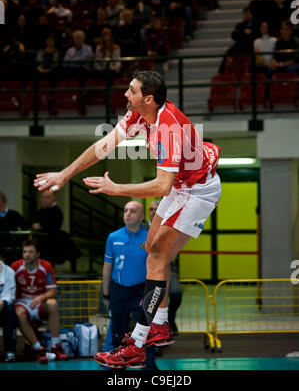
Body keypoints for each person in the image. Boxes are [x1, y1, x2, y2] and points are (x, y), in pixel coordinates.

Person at [34, 69, 222, 369]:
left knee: (157, 259)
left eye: (131, 90)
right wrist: (65, 174)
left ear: (148, 99)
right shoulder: (137, 116)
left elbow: (161, 186)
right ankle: (159, 323)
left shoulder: (167, 129)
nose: (125, 94)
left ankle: (137, 343)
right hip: (180, 186)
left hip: (198, 190)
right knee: (152, 250)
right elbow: (102, 147)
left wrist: (116, 188)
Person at [101, 200, 158, 370]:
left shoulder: (150, 237)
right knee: (118, 331)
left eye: (132, 211)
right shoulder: (113, 237)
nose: (127, 214)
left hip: (142, 290)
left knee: (146, 331)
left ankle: (149, 366)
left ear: (141, 217)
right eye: (125, 210)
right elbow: (107, 266)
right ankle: (119, 365)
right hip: (119, 289)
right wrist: (105, 293)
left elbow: (157, 267)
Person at [11, 237, 69, 364]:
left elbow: (53, 291)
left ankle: (56, 347)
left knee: (52, 303)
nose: (27, 254)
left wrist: (40, 298)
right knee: (18, 313)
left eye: (31, 252)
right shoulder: (15, 266)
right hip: (23, 303)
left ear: (38, 254)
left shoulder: (46, 266)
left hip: (39, 303)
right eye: (25, 252)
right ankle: (39, 349)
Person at [143, 200, 183, 336]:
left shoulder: (170, 227)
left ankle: (169, 319)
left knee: (177, 292)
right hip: (145, 268)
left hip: (166, 267)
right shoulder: (140, 229)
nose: (154, 212)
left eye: (157, 209)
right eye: (151, 209)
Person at [0, 249, 17, 362]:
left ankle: (9, 352)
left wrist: (2, 302)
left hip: (2, 307)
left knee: (10, 311)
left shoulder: (9, 272)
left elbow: (9, 293)